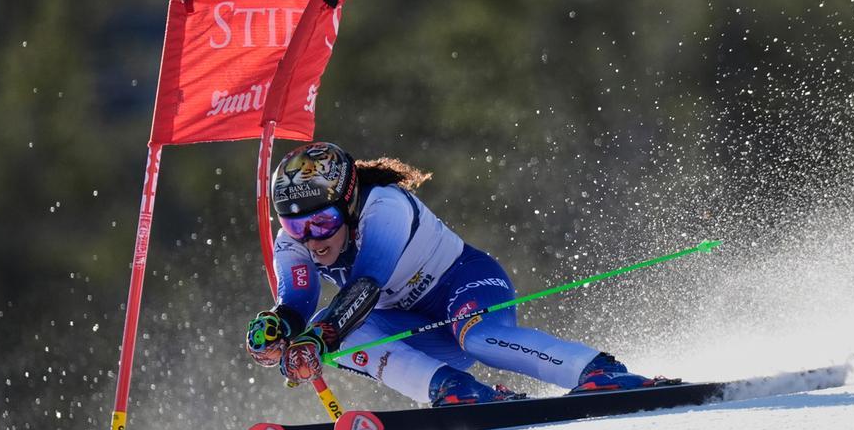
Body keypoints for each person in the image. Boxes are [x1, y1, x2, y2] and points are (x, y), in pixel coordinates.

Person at [244, 141, 658, 406]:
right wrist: (279, 329)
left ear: (349, 202)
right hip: (415, 324)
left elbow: (366, 284)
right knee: (324, 328)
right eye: (296, 226)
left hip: (464, 285)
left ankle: (597, 370)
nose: (312, 239)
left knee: (475, 336)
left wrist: (319, 338)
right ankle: (453, 389)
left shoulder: (385, 206)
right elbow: (297, 302)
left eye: (322, 222)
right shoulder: (293, 242)